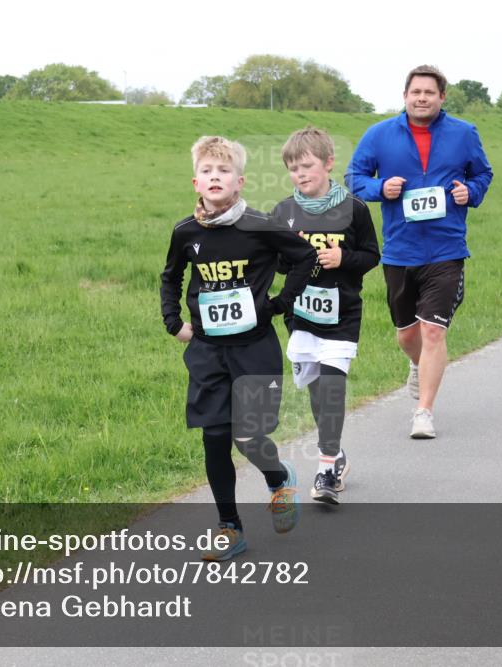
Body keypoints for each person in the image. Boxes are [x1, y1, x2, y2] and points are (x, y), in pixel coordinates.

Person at [160, 136, 316, 561]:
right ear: (196, 181)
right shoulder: (185, 232)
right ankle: (229, 527)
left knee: (248, 435)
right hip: (208, 352)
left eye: (223, 171)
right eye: (207, 171)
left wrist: (280, 304)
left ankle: (278, 478)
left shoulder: (261, 227)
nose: (215, 177)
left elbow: (305, 258)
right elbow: (170, 276)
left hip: (254, 349)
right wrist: (173, 322)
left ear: (240, 181)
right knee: (214, 437)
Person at [346, 64, 493, 439]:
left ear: (442, 97)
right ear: (405, 96)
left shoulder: (463, 133)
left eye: (429, 93)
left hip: (446, 249)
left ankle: (423, 411)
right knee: (407, 336)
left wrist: (469, 193)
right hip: (399, 250)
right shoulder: (379, 135)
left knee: (432, 332)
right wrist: (382, 189)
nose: (422, 98)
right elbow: (354, 178)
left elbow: (482, 174)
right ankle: (420, 366)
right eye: (416, 92)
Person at [271, 127, 380, 504]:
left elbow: (371, 256)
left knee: (333, 389)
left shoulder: (355, 210)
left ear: (329, 163)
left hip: (343, 316)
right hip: (301, 316)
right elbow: (275, 262)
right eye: (293, 168)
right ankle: (335, 453)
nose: (300, 174)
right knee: (317, 393)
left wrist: (342, 258)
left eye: (307, 166)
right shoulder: (283, 212)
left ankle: (325, 471)